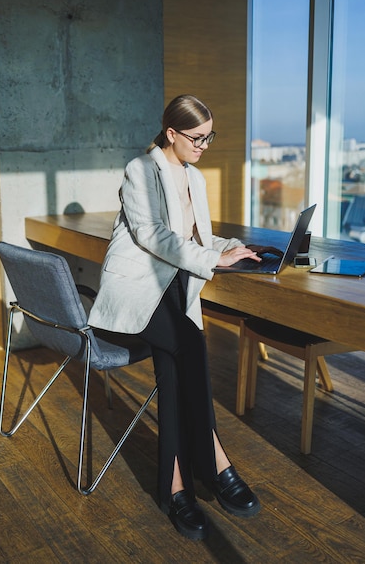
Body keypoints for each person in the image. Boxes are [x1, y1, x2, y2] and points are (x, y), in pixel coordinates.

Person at [88, 94, 262, 541]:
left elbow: (195, 235)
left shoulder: (195, 178)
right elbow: (153, 235)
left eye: (209, 137)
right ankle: (217, 463)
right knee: (190, 347)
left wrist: (229, 248)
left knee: (173, 364)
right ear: (171, 133)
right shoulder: (140, 170)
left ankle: (176, 487)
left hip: (173, 292)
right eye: (197, 137)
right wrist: (212, 260)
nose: (205, 145)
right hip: (137, 291)